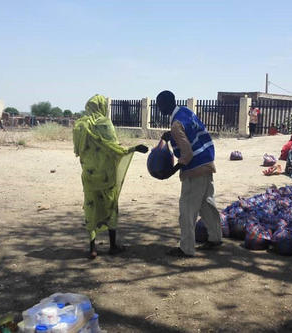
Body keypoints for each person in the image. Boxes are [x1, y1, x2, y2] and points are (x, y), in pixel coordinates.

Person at [73, 95, 149, 259]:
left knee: (91, 207)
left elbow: (77, 151)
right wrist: (134, 149)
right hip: (106, 176)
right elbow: (115, 148)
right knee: (111, 206)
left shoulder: (79, 126)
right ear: (101, 107)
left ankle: (92, 248)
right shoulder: (104, 123)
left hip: (89, 175)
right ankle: (113, 246)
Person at [157, 90, 222, 257]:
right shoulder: (186, 112)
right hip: (207, 162)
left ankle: (186, 248)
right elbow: (190, 133)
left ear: (166, 104)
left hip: (194, 170)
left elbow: (187, 153)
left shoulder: (175, 124)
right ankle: (215, 238)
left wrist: (172, 170)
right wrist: (171, 135)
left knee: (187, 210)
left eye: (159, 105)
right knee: (207, 205)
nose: (158, 108)